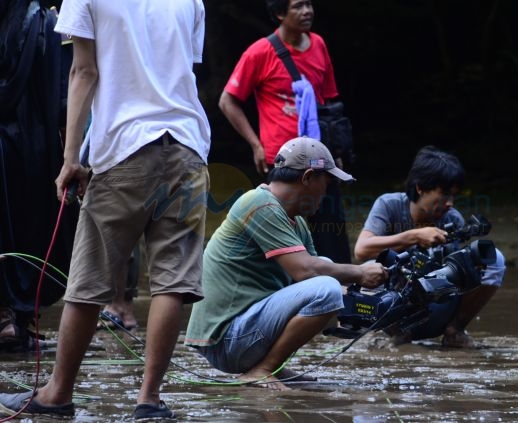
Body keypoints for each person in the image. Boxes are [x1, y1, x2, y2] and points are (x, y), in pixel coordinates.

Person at [0, 0, 211, 420]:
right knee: (171, 280)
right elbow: (181, 69)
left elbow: (83, 72)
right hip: (188, 148)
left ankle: (57, 394)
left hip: (124, 147)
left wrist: (70, 159)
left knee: (89, 279)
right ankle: (149, 401)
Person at [185, 137, 387, 391]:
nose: (326, 194)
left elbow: (315, 272)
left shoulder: (295, 219)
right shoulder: (258, 203)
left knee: (325, 272)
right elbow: (305, 271)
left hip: (247, 330)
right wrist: (359, 272)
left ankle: (273, 366)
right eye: (326, 185)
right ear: (308, 177)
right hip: (227, 339)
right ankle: (263, 369)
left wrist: (376, 299)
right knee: (325, 287)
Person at [218, 0, 352, 264]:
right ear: (280, 14)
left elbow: (328, 103)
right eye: (298, 6)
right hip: (283, 161)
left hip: (319, 158)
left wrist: (336, 151)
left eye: (310, 4)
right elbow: (227, 101)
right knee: (285, 237)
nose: (308, 11)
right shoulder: (259, 52)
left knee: (331, 235)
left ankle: (341, 294)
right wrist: (255, 144)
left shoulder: (319, 45)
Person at [354, 146, 506, 348]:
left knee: (494, 259)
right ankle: (382, 331)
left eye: (454, 196)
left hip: (434, 302)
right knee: (371, 267)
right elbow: (361, 250)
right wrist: (414, 235)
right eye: (444, 194)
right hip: (392, 298)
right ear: (420, 188)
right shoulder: (389, 205)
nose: (450, 203)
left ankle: (455, 331)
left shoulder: (453, 219)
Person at [0, 1, 78, 352]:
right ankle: (17, 321)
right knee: (30, 230)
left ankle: (5, 319)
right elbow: (63, 94)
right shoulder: (44, 21)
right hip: (30, 145)